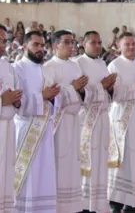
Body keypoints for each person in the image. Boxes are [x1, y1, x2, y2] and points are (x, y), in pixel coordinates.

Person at [14, 31, 60, 213]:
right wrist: (43, 96)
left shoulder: (47, 69)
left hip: (46, 130)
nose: (40, 49)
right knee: (28, 177)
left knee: (44, 175)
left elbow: (57, 98)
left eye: (42, 45)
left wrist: (55, 97)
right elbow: (18, 103)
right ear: (25, 46)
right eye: (36, 45)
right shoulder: (17, 68)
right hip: (26, 131)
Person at [107, 32, 135, 213]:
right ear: (119, 46)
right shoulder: (114, 65)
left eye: (134, 44)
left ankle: (133, 202)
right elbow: (115, 95)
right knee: (122, 160)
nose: (131, 47)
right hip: (122, 119)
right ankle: (116, 203)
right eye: (127, 44)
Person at [74, 31, 116, 213]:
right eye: (93, 42)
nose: (98, 46)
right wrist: (103, 86)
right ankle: (84, 206)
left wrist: (110, 89)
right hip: (87, 120)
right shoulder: (78, 64)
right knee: (87, 161)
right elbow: (81, 94)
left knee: (100, 161)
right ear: (84, 42)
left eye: (100, 42)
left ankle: (99, 205)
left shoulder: (102, 64)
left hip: (103, 118)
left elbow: (109, 94)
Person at [44, 30, 85, 213]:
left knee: (73, 163)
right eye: (67, 42)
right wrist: (73, 88)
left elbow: (83, 93)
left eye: (73, 42)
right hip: (58, 124)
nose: (71, 46)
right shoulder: (48, 67)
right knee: (59, 164)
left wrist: (82, 91)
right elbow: (50, 96)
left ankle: (73, 206)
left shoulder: (76, 66)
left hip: (75, 121)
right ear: (55, 45)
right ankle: (58, 207)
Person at [0, 24, 22, 213]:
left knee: (6, 175)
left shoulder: (7, 66)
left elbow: (15, 92)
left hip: (8, 129)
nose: (2, 45)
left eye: (3, 41)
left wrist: (15, 100)